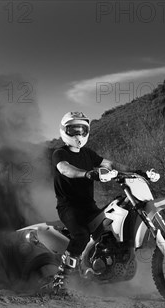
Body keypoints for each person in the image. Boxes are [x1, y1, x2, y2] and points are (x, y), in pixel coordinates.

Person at [51, 111, 137, 293]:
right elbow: (66, 169)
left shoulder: (88, 154)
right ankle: (61, 278)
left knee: (109, 230)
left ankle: (100, 270)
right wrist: (86, 173)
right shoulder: (59, 153)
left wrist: (136, 172)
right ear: (64, 131)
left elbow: (110, 164)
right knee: (81, 235)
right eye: (73, 130)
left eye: (82, 130)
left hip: (89, 206)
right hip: (69, 208)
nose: (78, 134)